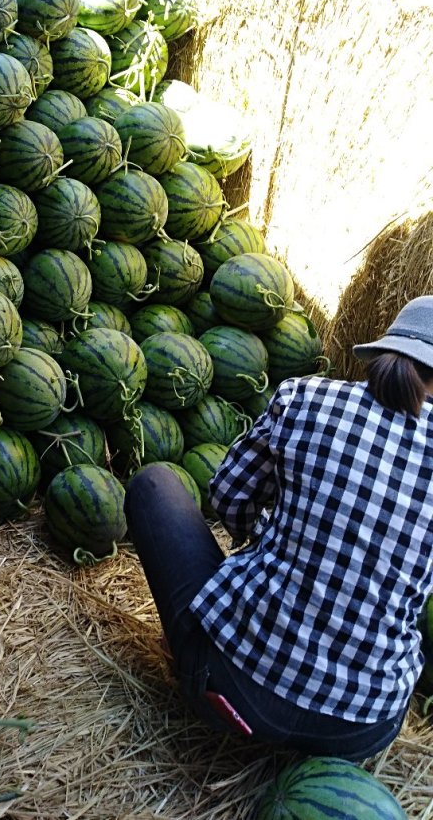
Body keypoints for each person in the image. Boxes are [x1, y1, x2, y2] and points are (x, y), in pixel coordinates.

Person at [125, 295, 433, 760]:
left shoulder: (305, 396)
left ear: (382, 353)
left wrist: (271, 542)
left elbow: (228, 497)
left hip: (229, 687)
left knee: (154, 485)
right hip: (358, 731)